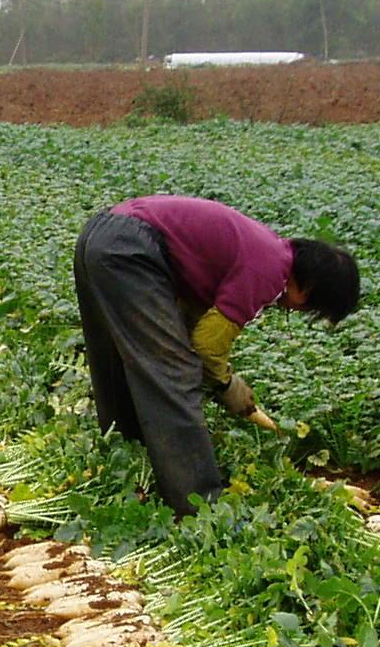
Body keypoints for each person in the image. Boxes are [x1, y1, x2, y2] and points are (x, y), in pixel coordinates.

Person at [72, 195, 359, 517]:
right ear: (308, 289)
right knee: (176, 371)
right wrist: (227, 386)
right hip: (129, 248)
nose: (297, 310)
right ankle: (202, 506)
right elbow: (207, 347)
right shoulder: (269, 271)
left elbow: (189, 323)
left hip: (101, 235)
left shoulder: (268, 249)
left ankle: (125, 459)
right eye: (309, 308)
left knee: (116, 356)